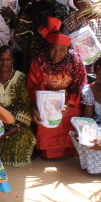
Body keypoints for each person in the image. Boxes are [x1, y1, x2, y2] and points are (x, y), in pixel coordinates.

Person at [27, 18, 87, 159]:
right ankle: (48, 152)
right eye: (53, 49)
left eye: (61, 50)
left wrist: (68, 102)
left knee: (70, 113)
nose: (56, 54)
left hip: (70, 99)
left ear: (67, 49)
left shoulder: (75, 60)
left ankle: (69, 149)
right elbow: (34, 86)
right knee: (46, 115)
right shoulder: (39, 62)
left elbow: (79, 84)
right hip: (46, 99)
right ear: (48, 48)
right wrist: (44, 102)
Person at [0, 46, 36, 167]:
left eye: (8, 59)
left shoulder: (20, 78)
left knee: (22, 138)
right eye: (1, 59)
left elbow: (26, 104)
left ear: (13, 61)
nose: (4, 62)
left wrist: (17, 126)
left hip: (17, 121)